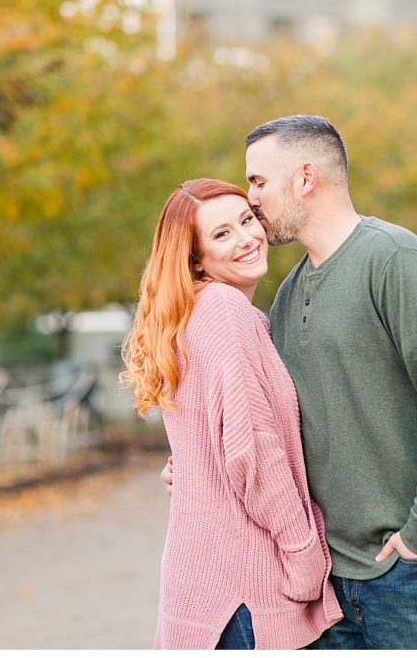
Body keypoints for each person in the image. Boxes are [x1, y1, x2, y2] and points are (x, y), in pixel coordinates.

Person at [164, 115, 417, 649]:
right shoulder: (285, 294)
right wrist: (198, 456)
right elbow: (269, 421)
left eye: (258, 182)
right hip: (331, 584)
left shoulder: (395, 259)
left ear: (305, 178)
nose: (251, 200)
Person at [122, 178, 342, 650]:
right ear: (196, 258)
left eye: (247, 220)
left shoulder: (197, 313)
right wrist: (303, 553)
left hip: (207, 579)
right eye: (222, 234)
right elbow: (253, 450)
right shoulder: (224, 310)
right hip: (244, 586)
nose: (246, 238)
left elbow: (207, 438)